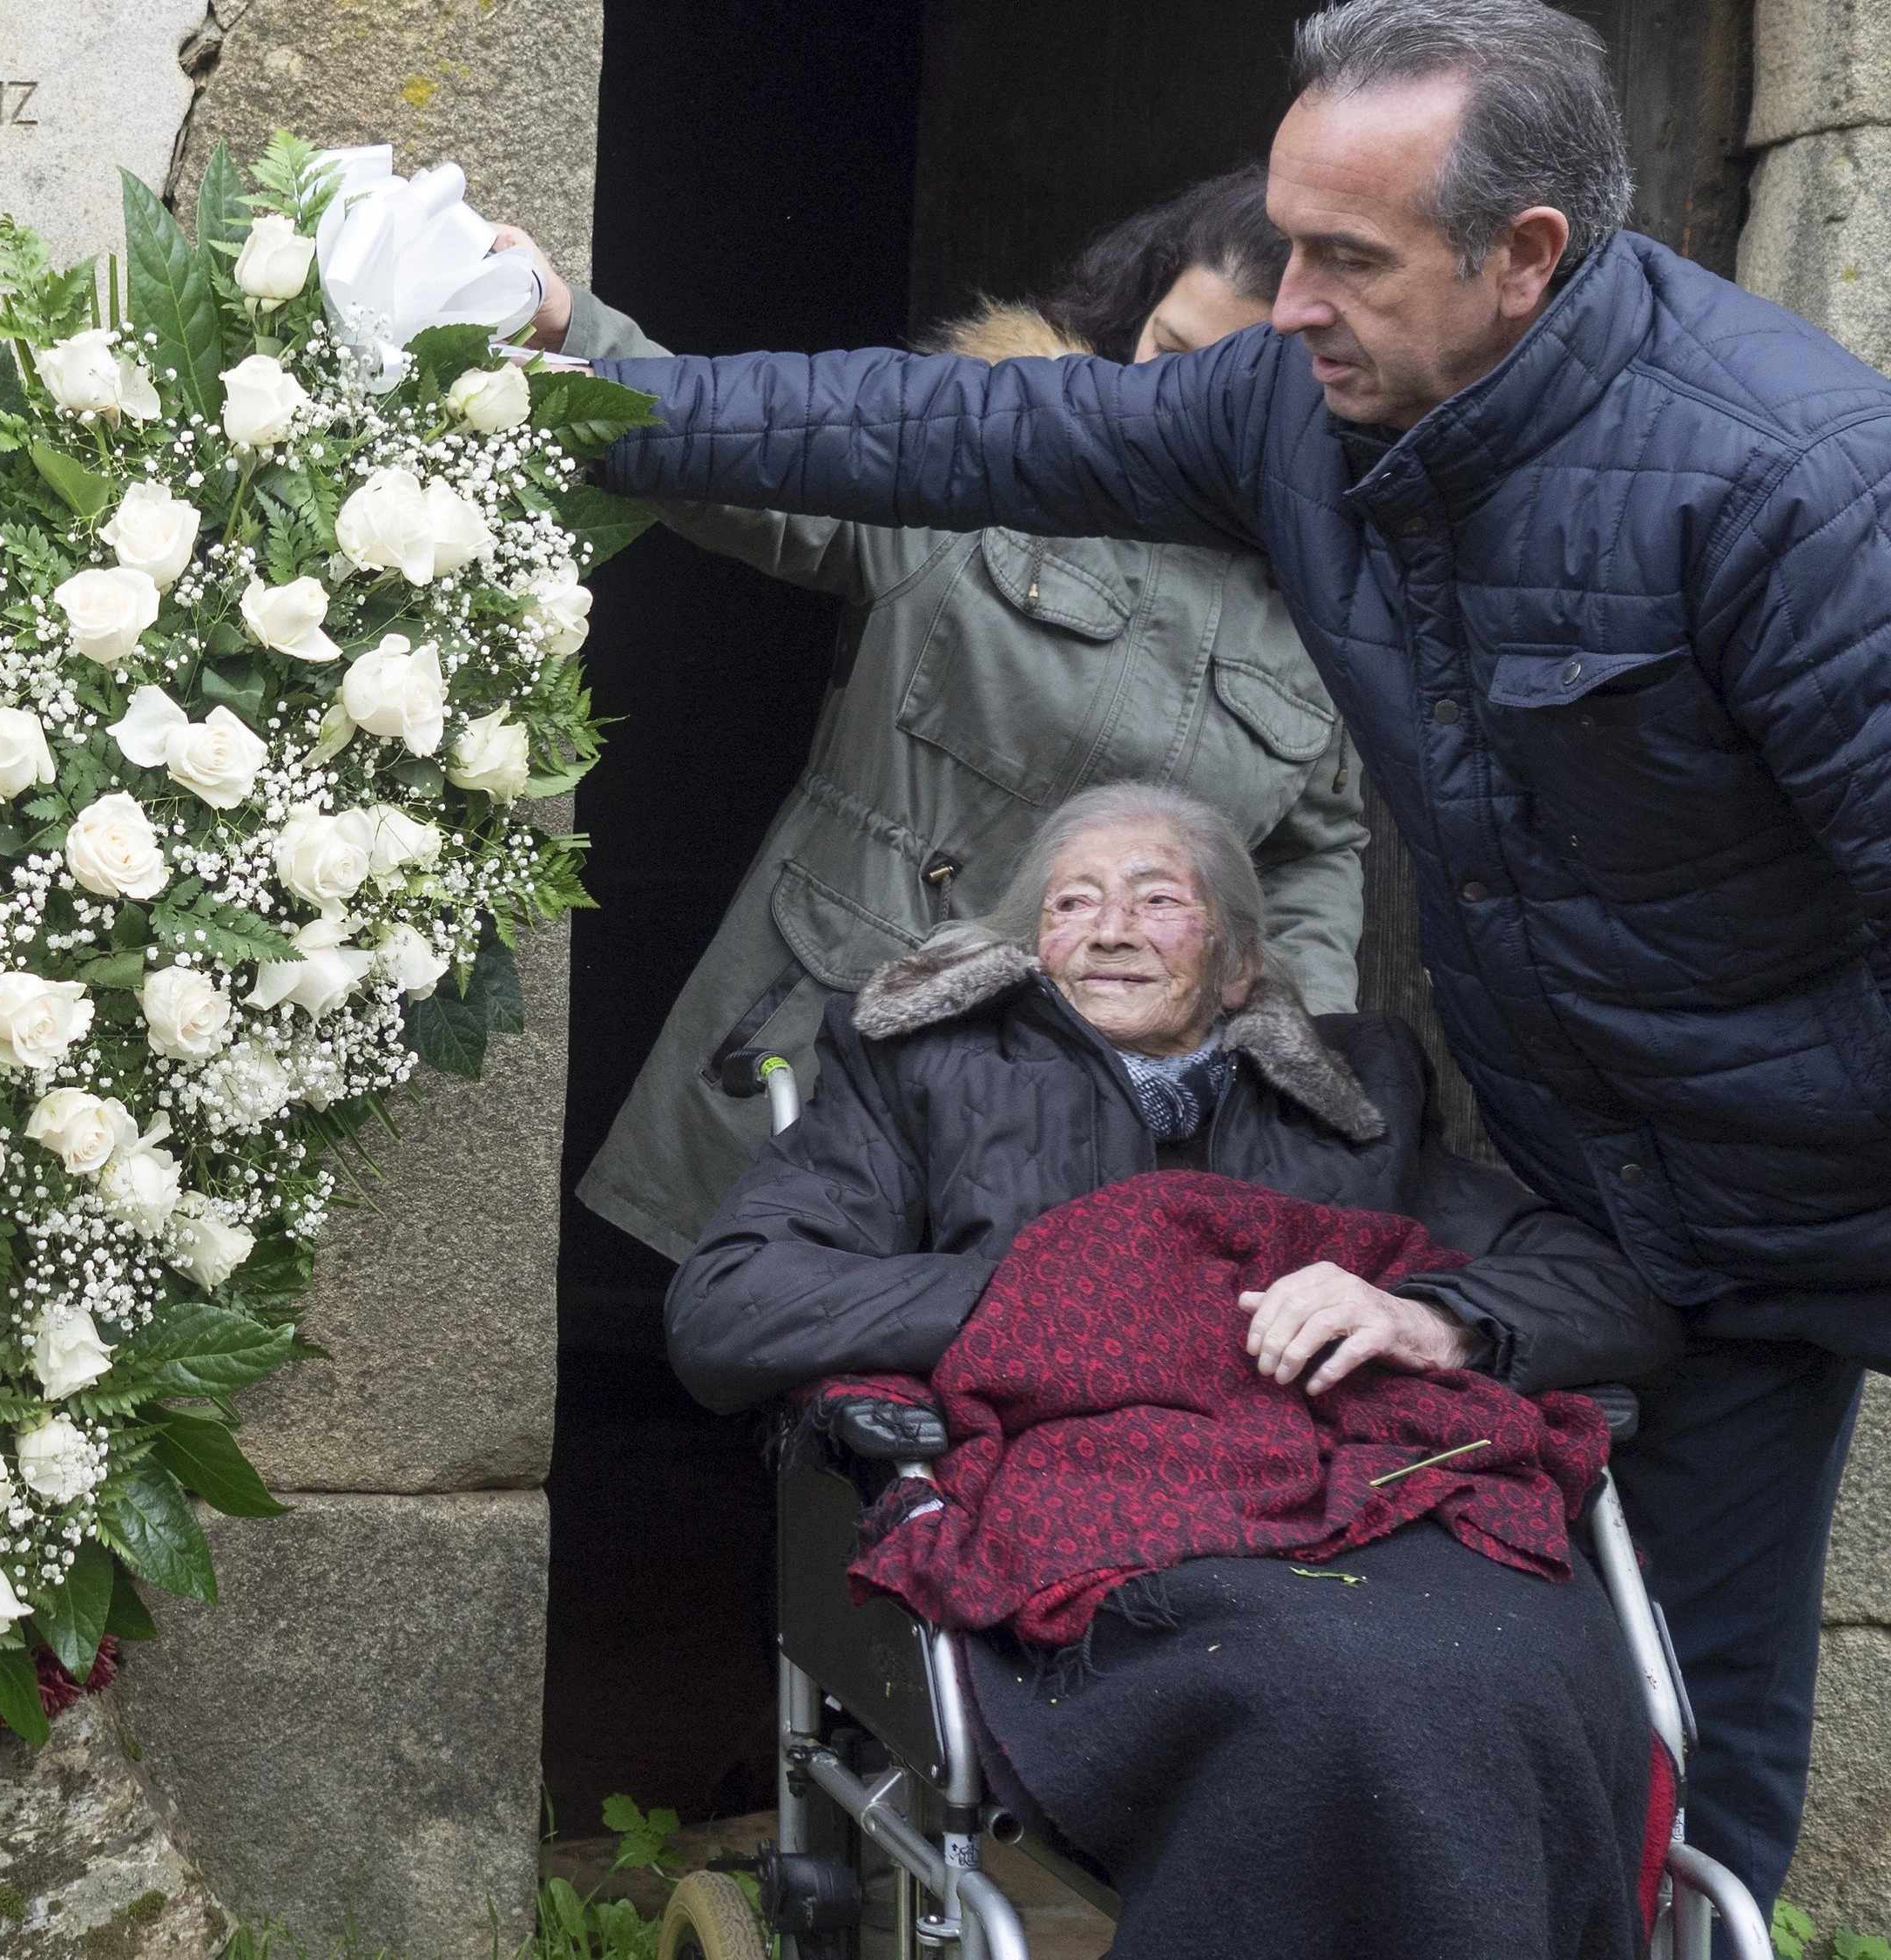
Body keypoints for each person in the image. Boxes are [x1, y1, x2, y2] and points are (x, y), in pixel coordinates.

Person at [533, 0, 1891, 1902]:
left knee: (1683, 1715)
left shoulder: (1795, 490)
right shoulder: (1299, 400)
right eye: (1282, 236)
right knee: (1463, 1657)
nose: (1291, 302)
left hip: (1774, 1201)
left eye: (1346, 257)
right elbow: (946, 426)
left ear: (1524, 260)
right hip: (1559, 1175)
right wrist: (570, 372)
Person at [672, 781, 1683, 1953]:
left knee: (1534, 1661)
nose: (1110, 927)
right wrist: (1078, 1300)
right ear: (1030, 944)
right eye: (1074, 901)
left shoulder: (1351, 1102)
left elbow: (1614, 1287)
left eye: (1159, 901)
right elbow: (730, 1300)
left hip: (1368, 1503)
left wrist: (1432, 1317)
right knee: (1323, 1680)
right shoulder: (925, 1073)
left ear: (1240, 966)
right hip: (1109, 1529)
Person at [542, 168, 1368, 1263]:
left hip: (1113, 1107)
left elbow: (1310, 849)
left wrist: (1291, 1058)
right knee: (765, 1353)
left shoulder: (1327, 583)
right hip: (832, 1028)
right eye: (1167, 351)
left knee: (1041, 1385)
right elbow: (766, 461)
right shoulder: (999, 441)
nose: (1179, 399)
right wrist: (571, 336)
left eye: (1230, 383)